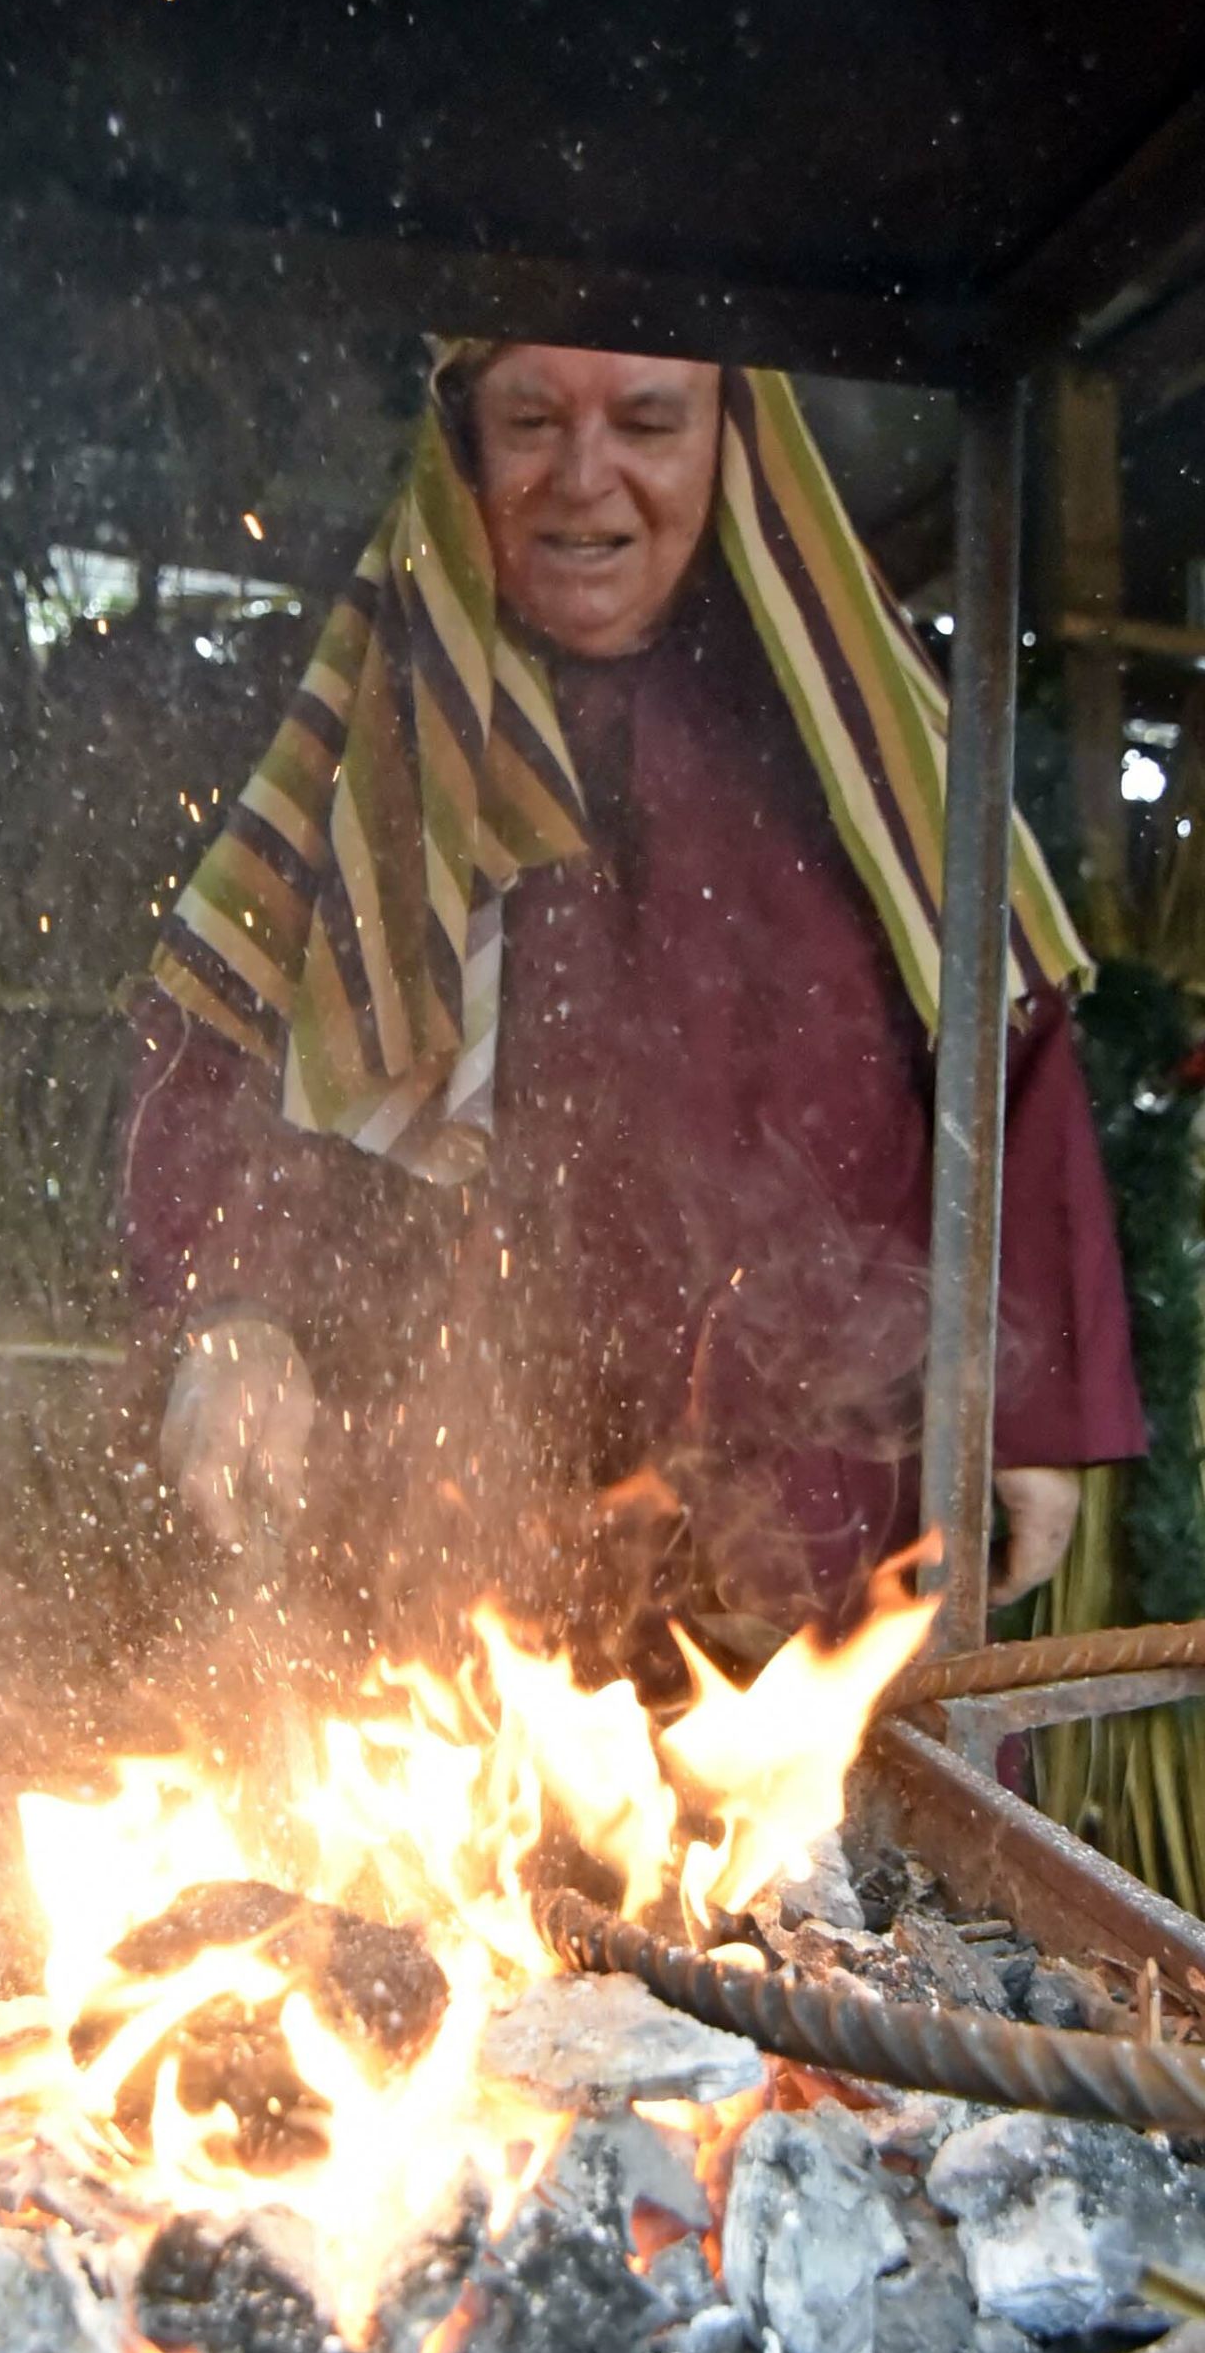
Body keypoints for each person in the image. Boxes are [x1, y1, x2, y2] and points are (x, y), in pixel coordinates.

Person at [125, 342, 1144, 1657]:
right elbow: (217, 1040)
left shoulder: (853, 726)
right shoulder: (368, 723)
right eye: (533, 420)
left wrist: (1032, 1415)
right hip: (441, 1515)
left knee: (823, 1798)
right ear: (464, 438)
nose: (584, 477)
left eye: (649, 423)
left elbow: (1007, 1034)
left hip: (813, 1527)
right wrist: (233, 1309)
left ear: (732, 445)